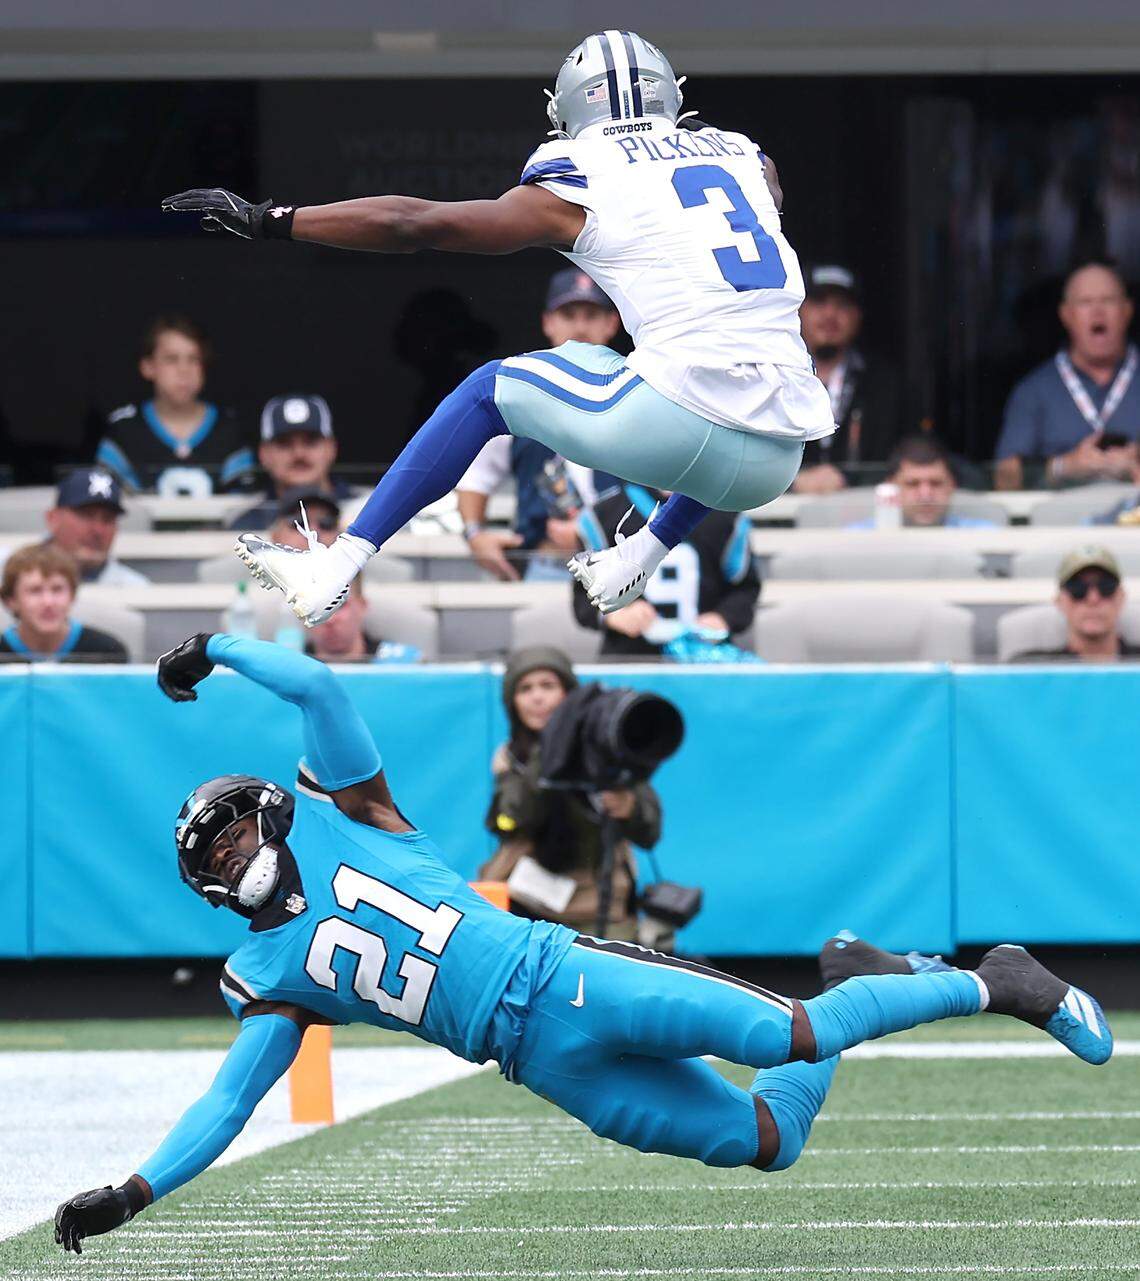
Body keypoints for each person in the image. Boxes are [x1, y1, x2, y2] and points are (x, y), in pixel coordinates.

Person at [52, 633, 1112, 1254]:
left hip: (564, 977)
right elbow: (230, 1101)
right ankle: (865, 976)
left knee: (787, 1035)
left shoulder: (349, 807)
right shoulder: (269, 977)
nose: (239, 851)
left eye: (240, 826)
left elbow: (321, 688)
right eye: (218, 851)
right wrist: (140, 1191)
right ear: (207, 887)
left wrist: (217, 647)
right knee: (767, 1141)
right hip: (536, 1061)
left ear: (272, 809)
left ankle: (997, 981)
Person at [162, 30, 836, 629]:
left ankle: (333, 565)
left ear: (568, 110)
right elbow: (757, 201)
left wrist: (272, 218)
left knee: (491, 390)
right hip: (778, 455)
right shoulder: (748, 157)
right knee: (639, 362)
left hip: (693, 432)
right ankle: (640, 552)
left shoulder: (581, 172)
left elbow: (415, 224)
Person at [478, 646, 660, 937]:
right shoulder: (511, 757)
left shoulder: (607, 748)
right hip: (527, 904)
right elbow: (509, 820)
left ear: (569, 694)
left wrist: (630, 807)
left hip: (599, 906)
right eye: (525, 689)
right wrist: (550, 749)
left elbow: (650, 833)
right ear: (512, 702)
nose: (537, 697)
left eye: (548, 686)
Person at [456, 268, 621, 581]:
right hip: (547, 564)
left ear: (612, 323)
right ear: (548, 322)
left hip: (624, 562)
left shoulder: (638, 392)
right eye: (569, 314)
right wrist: (475, 534)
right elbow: (474, 478)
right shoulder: (517, 393)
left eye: (591, 314)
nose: (580, 326)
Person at [995, 262, 1140, 490]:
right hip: (1061, 523)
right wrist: (1064, 467)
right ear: (1066, 315)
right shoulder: (1034, 391)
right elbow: (1003, 478)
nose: (1097, 311)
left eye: (1108, 300)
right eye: (1085, 302)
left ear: (1127, 310)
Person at [573, 483, 759, 656]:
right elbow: (583, 596)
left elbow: (744, 589)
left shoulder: (725, 513)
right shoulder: (605, 513)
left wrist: (723, 617)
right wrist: (616, 615)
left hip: (705, 658)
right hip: (631, 658)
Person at [96, 315, 254, 496]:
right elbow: (104, 508)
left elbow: (243, 511)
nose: (184, 370)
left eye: (193, 359)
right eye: (171, 359)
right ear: (148, 366)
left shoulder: (229, 429)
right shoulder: (124, 430)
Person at [794, 265, 904, 494]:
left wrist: (848, 479)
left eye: (842, 305)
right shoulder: (775, 377)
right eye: (819, 302)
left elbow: (901, 462)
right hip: (778, 518)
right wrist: (793, 482)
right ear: (798, 310)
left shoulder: (886, 385)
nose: (830, 315)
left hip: (864, 516)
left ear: (858, 316)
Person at [229, 396, 350, 529]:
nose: (299, 454)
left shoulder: (365, 509)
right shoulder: (245, 524)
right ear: (263, 453)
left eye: (311, 442)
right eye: (284, 443)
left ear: (331, 448)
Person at [1008, 545, 1140, 662]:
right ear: (1059, 601)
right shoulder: (1030, 671)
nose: (1093, 599)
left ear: (1121, 598)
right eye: (1077, 588)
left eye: (1106, 587)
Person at [0, 544, 128, 662]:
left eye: (57, 589)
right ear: (10, 600)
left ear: (72, 596)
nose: (48, 602)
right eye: (35, 590)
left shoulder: (106, 652)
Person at [845, 436, 998, 530]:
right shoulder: (856, 539)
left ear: (952, 486)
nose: (925, 495)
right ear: (891, 487)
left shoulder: (984, 537)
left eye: (936, 483)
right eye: (912, 484)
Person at [43, 467, 150, 586]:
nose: (97, 530)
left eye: (108, 519)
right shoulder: (19, 579)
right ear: (53, 519)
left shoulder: (136, 588)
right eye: (85, 515)